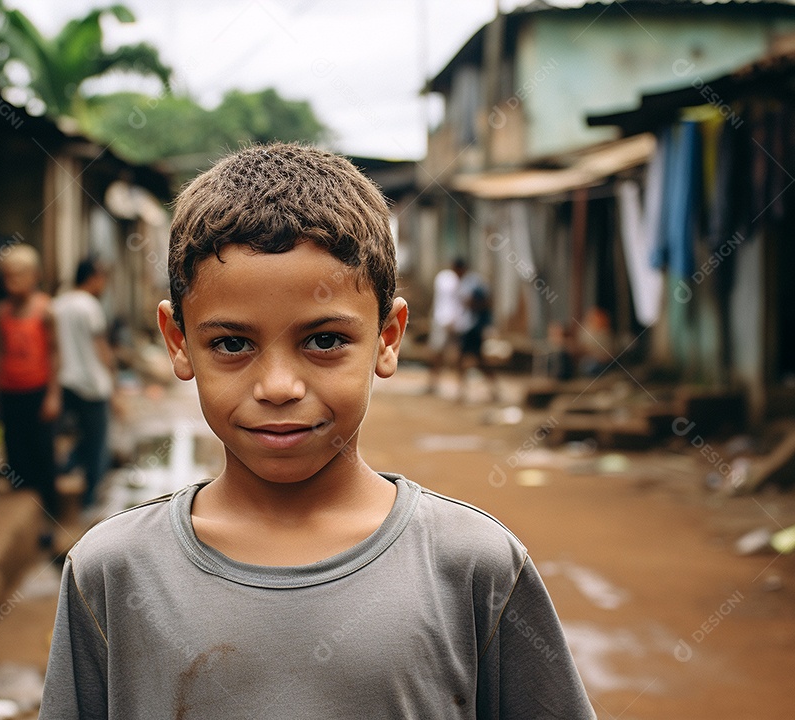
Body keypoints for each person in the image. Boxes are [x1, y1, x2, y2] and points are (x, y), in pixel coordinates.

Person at [40, 144, 593, 718]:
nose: (278, 386)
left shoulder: (474, 566)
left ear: (388, 337)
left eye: (324, 341)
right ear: (179, 342)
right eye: (232, 344)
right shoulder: (112, 571)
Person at [0, 244, 62, 522]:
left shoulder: (45, 310)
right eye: (7, 277)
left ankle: (50, 517)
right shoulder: (2, 312)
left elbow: (55, 353)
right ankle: (24, 518)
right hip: (10, 392)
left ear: (35, 276)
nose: (12, 283)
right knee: (15, 453)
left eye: (18, 276)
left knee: (42, 455)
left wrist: (53, 395)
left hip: (38, 391)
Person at [52, 258, 114, 510]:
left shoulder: (58, 304)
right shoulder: (89, 306)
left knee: (70, 436)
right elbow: (101, 348)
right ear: (92, 278)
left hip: (64, 382)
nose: (104, 285)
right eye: (102, 279)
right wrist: (113, 379)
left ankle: (63, 471)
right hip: (92, 385)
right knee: (97, 443)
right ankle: (90, 501)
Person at [453, 259, 498, 402]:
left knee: (477, 361)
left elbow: (483, 304)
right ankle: (463, 391)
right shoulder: (467, 282)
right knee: (469, 360)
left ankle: (492, 390)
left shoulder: (472, 283)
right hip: (469, 327)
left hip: (474, 328)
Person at [426, 257, 464, 394]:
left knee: (446, 354)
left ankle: (435, 384)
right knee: (439, 353)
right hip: (445, 321)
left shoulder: (444, 278)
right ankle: (434, 383)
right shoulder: (451, 280)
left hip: (447, 321)